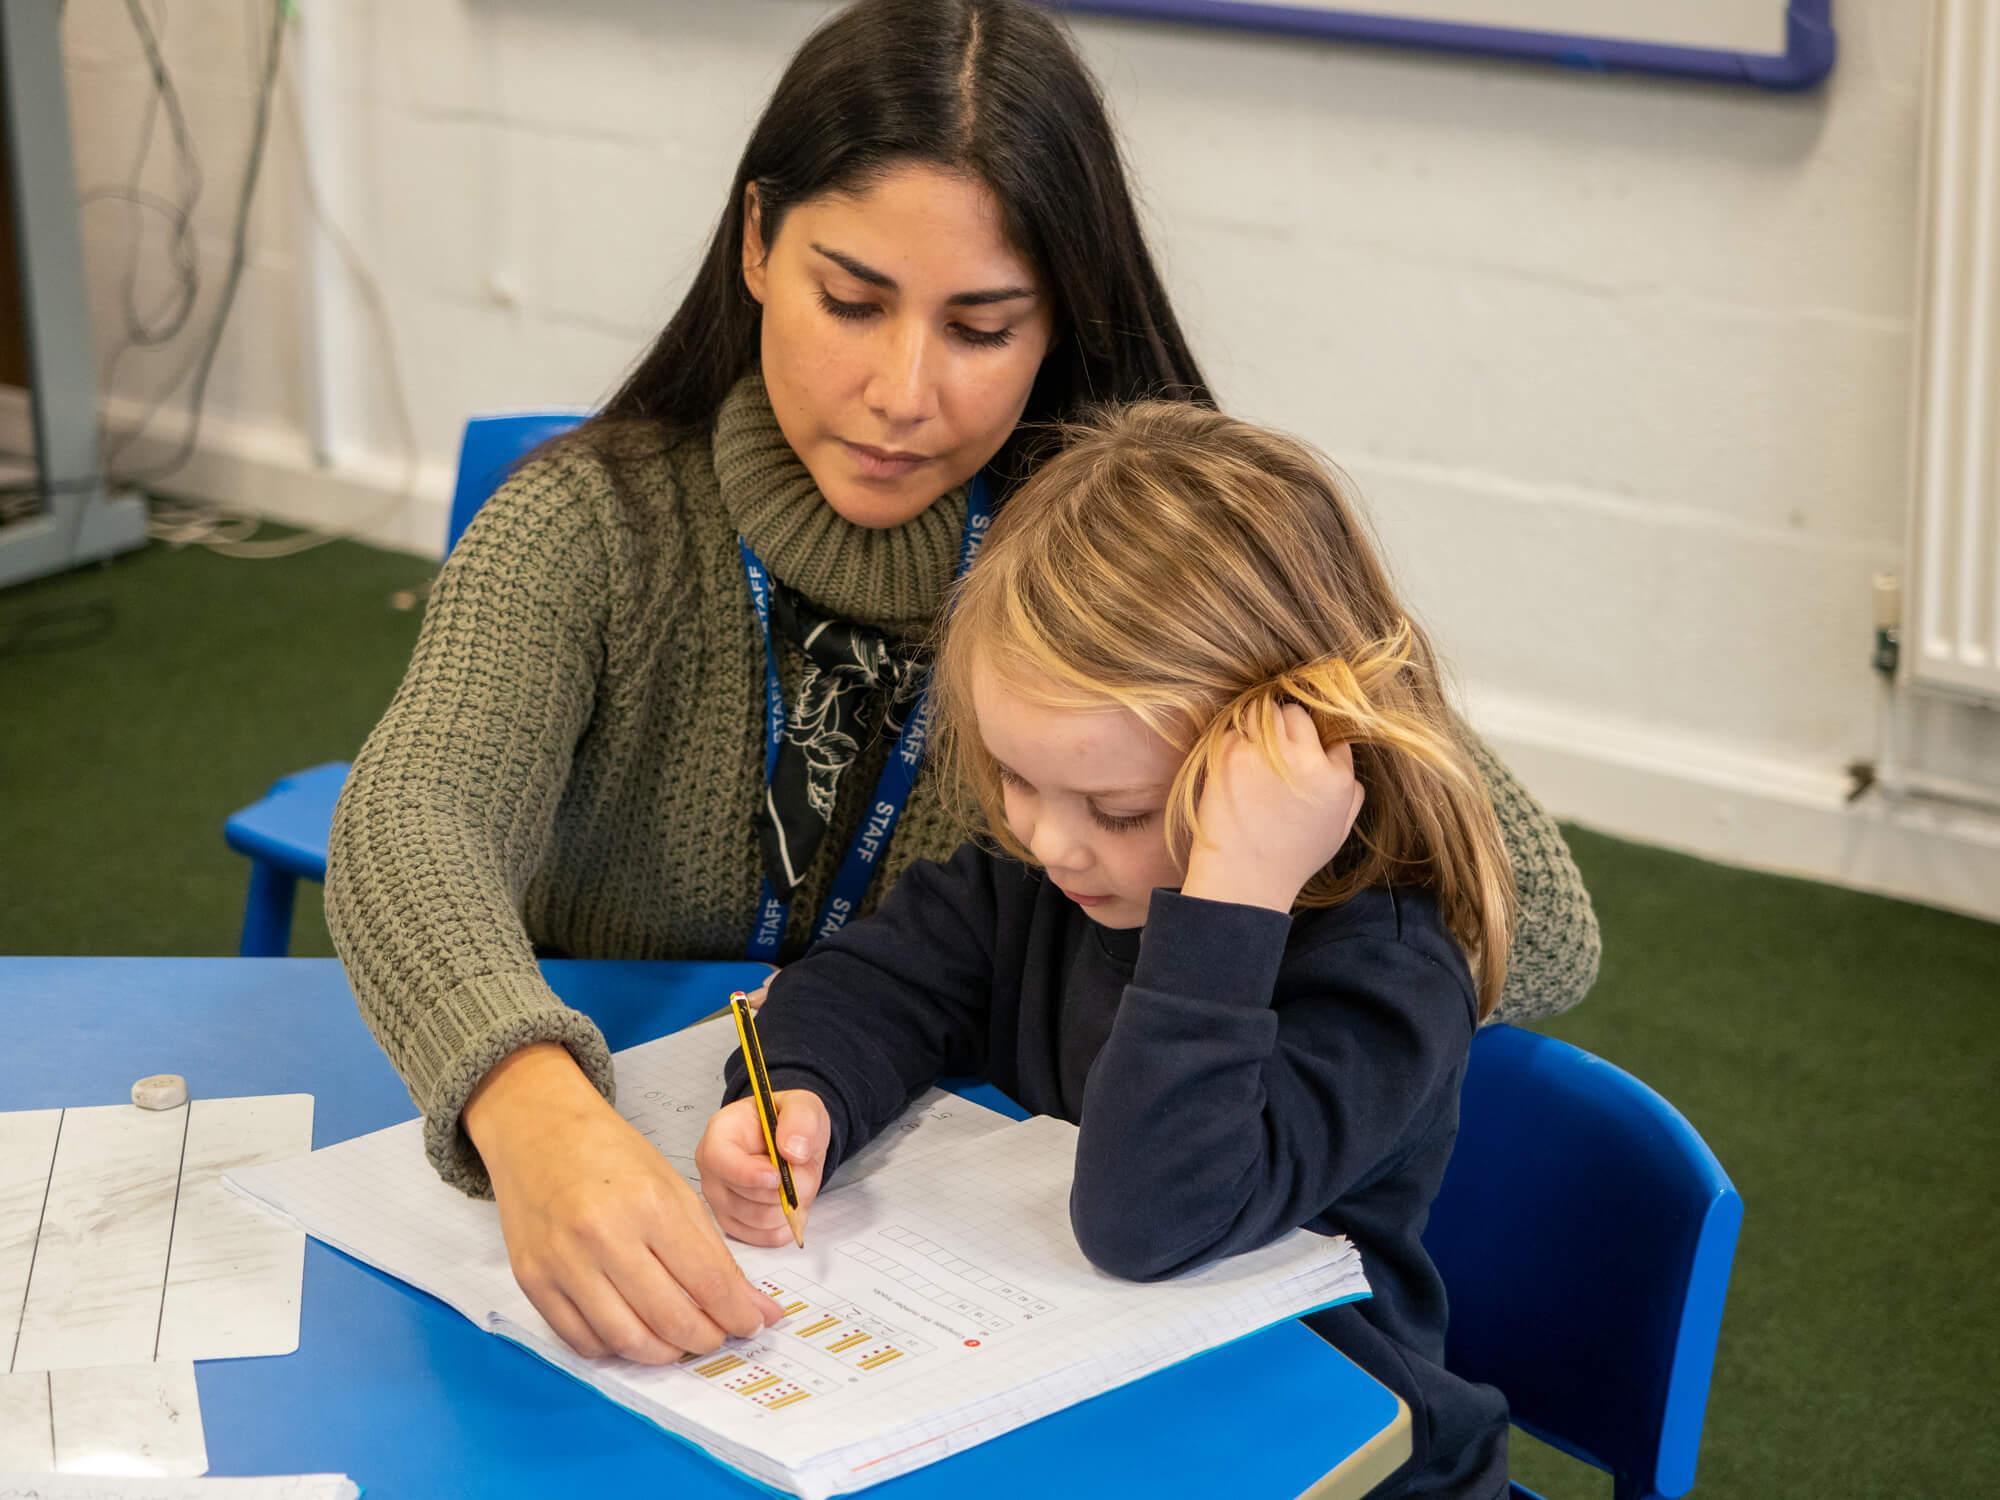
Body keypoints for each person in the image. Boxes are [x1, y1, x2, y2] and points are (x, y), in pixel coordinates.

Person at [326, 0, 1600, 1374]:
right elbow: (410, 818)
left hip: (1013, 1293)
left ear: (1063, 324)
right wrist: (533, 1114)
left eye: (982, 327)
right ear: (757, 245)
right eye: (851, 301)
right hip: (762, 1210)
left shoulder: (1100, 588)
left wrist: (1264, 752)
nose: (901, 391)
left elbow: (1540, 932)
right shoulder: (591, 525)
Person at [696, 403, 1513, 1496]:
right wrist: (798, 1095)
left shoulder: (1385, 972)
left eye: (1116, 808)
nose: (1045, 839)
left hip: (1329, 1456)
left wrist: (1228, 901)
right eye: (1019, 778)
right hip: (1082, 1403)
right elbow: (873, 982)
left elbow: (1150, 1218)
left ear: (1279, 765)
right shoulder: (1050, 876)